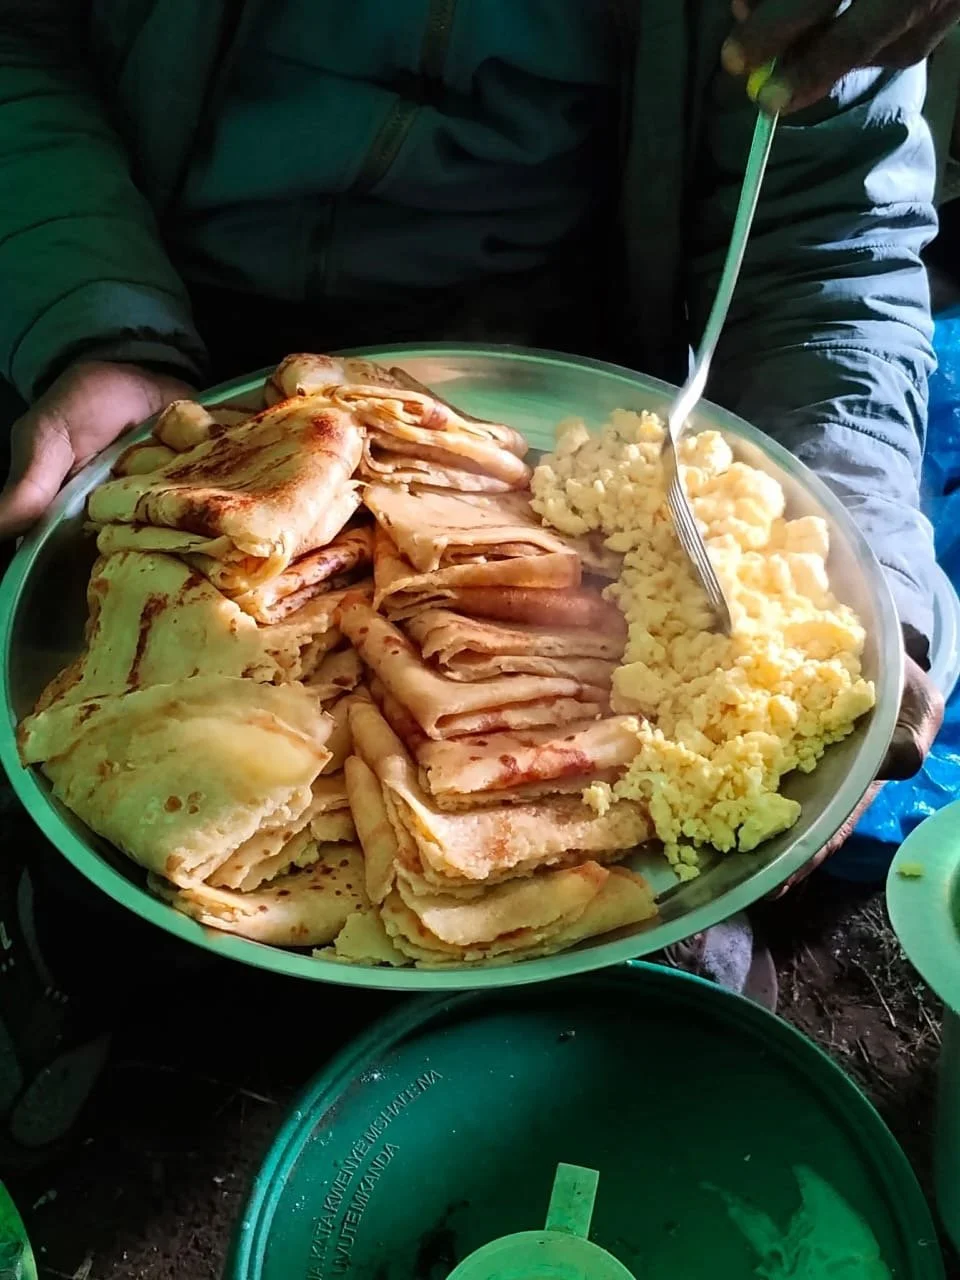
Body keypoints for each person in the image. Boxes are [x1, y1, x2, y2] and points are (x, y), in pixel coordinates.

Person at [0, 0, 951, 1165]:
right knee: (127, 911)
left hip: (556, 428)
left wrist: (859, 577)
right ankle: (106, 1007)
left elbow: (831, 243)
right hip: (177, 324)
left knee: (615, 978)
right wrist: (91, 322)